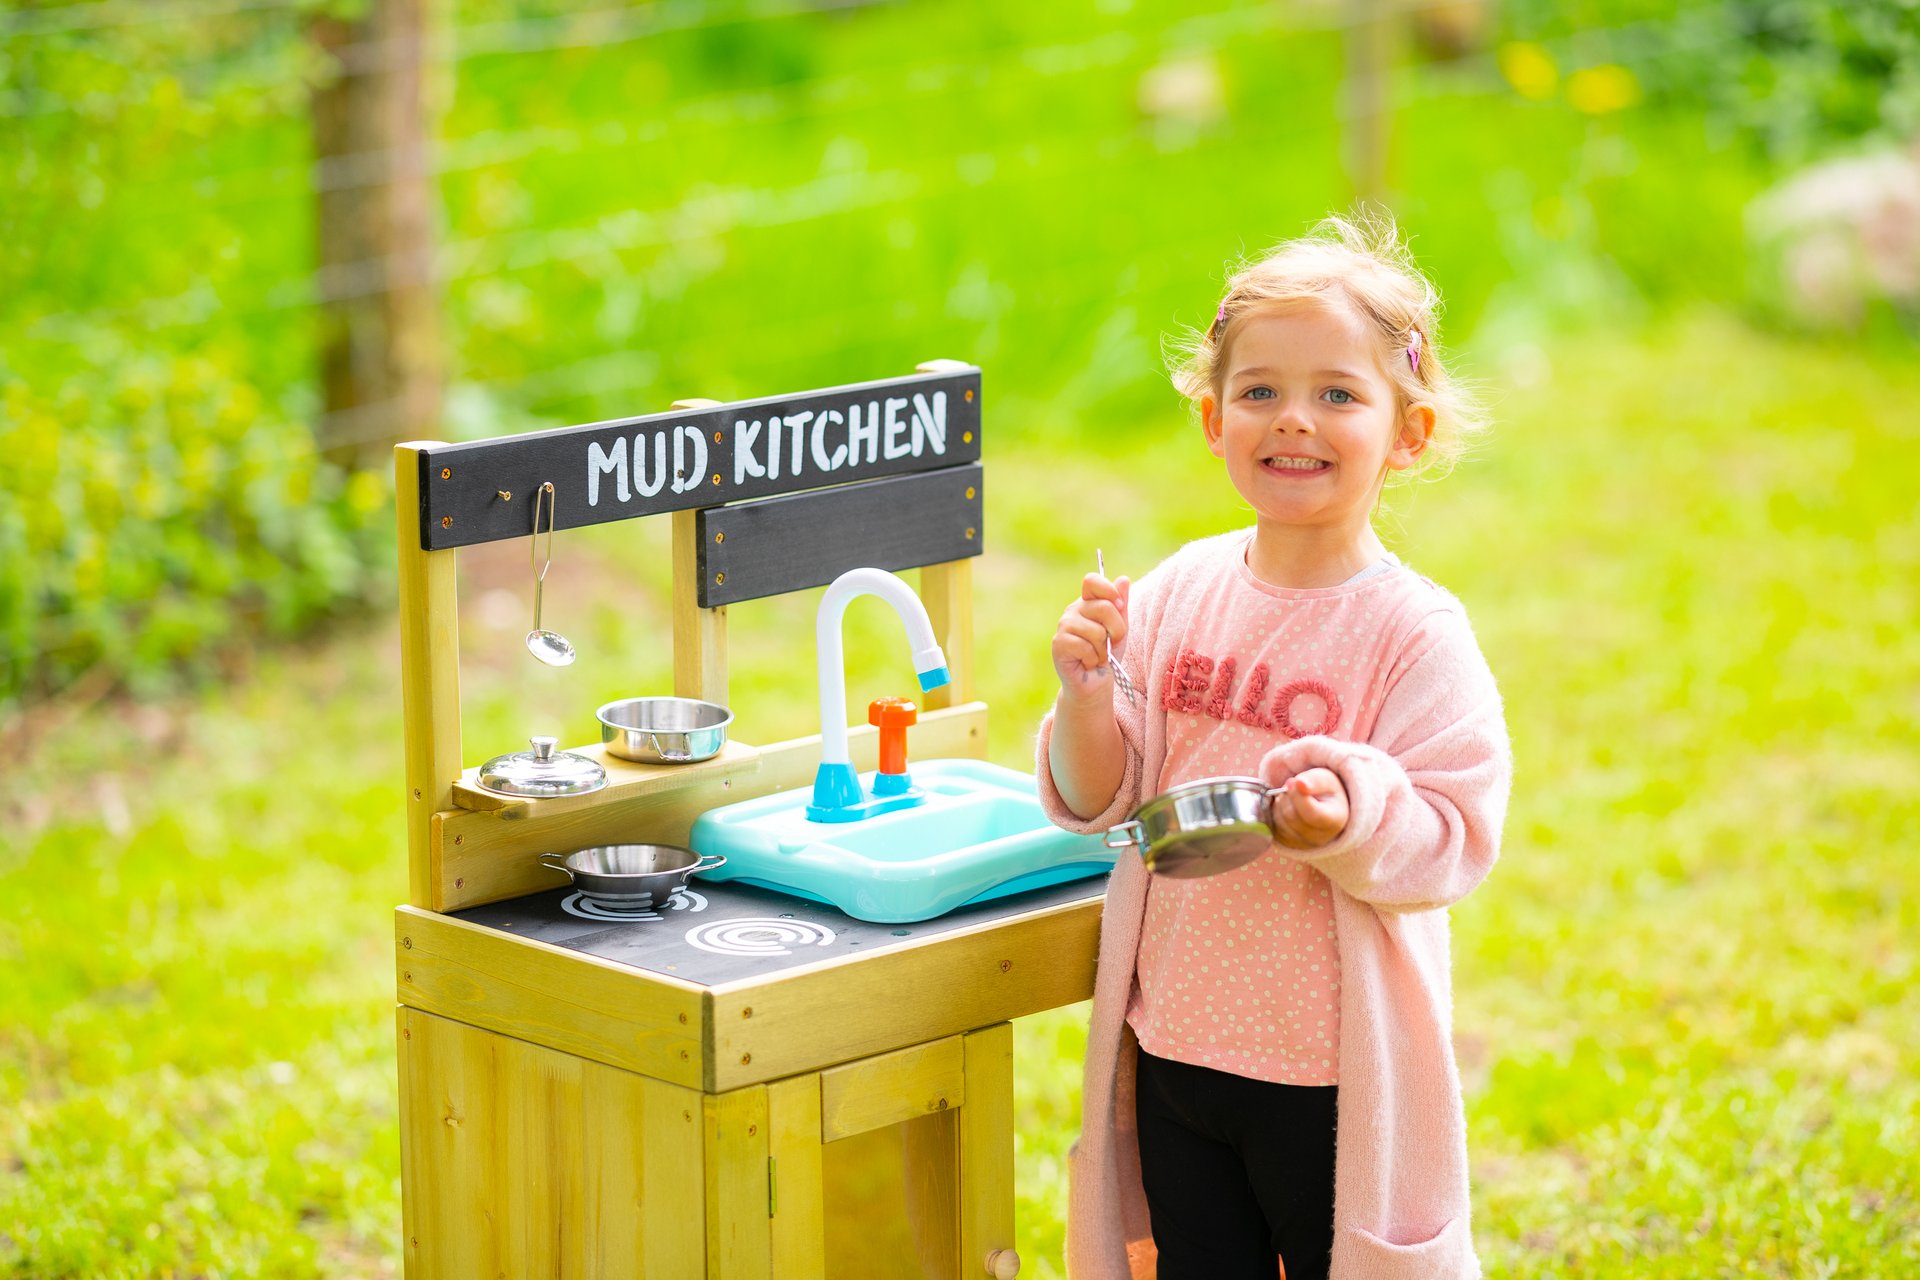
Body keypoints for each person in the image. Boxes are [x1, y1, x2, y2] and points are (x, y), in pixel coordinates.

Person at [1037, 213, 1512, 1280]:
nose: (1294, 419)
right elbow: (1101, 795)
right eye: (1260, 391)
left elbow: (1454, 832)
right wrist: (1082, 696)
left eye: (1338, 393)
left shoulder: (1413, 632)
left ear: (1410, 430)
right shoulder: (1176, 593)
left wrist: (1348, 812)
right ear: (1213, 419)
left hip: (1331, 1073)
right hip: (1173, 1047)